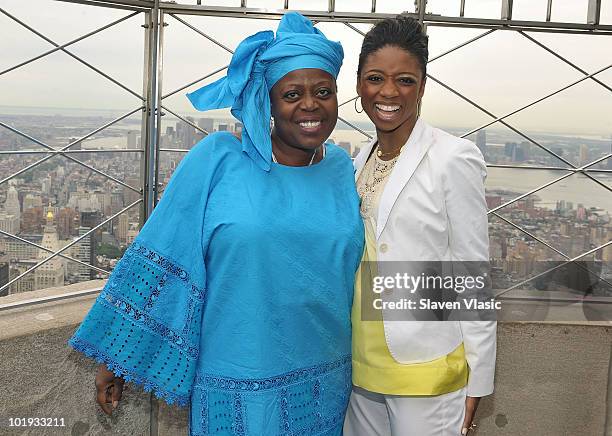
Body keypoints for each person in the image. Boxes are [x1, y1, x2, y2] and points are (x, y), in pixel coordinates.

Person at [68, 12, 364, 436]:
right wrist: (117, 357)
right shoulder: (218, 158)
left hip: (326, 380)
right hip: (237, 382)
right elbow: (166, 251)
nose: (310, 104)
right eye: (292, 93)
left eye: (323, 91)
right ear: (267, 101)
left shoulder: (341, 168)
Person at [343, 16, 496, 436]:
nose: (388, 92)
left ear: (423, 86)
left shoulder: (452, 157)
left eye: (405, 80)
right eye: (375, 78)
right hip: (360, 363)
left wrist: (479, 376)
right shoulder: (357, 161)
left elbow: (471, 269)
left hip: (425, 365)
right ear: (358, 84)